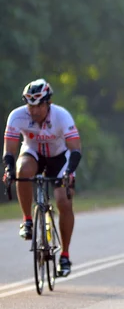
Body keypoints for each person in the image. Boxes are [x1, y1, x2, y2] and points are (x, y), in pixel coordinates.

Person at [2, 79, 82, 277]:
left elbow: (75, 149)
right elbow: (10, 150)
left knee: (64, 201)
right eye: (30, 105)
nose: (34, 111)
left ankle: (64, 255)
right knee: (22, 170)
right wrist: (9, 170)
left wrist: (69, 172)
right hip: (33, 153)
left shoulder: (62, 116)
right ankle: (27, 220)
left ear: (48, 103)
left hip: (59, 158)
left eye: (39, 105)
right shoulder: (17, 116)